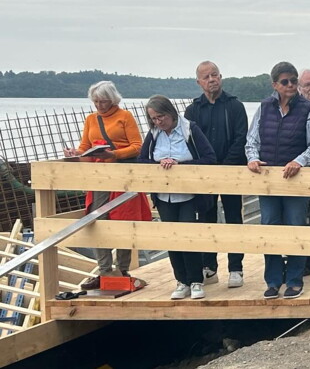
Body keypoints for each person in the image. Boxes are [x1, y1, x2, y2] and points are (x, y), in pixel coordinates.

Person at [245, 62, 310, 300]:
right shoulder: (264, 107)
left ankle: (295, 280)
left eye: (294, 80)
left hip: (296, 181)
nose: (291, 85)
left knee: (296, 227)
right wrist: (253, 158)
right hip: (268, 181)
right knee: (270, 228)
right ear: (275, 85)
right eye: (285, 81)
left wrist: (299, 161)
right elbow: (251, 141)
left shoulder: (309, 109)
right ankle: (273, 280)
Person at [66, 81, 152, 291]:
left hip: (122, 174)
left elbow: (137, 147)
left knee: (124, 218)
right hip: (99, 176)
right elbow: (85, 147)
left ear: (112, 99)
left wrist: (113, 154)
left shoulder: (125, 117)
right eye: (95, 101)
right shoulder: (91, 119)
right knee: (97, 219)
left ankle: (122, 269)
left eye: (103, 101)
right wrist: (76, 154)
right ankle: (104, 270)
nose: (99, 105)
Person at [139, 95, 217, 300]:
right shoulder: (154, 134)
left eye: (161, 117)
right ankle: (181, 281)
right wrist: (158, 164)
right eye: (154, 119)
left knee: (187, 237)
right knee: (171, 239)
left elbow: (210, 158)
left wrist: (179, 165)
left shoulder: (190, 129)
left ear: (170, 113)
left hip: (189, 195)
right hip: (164, 196)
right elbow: (142, 160)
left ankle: (196, 280)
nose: (158, 122)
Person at [184, 60, 249, 289]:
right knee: (206, 219)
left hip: (231, 172)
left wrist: (225, 166)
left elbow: (241, 138)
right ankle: (209, 267)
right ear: (199, 82)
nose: (212, 80)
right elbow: (190, 142)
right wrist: (206, 166)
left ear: (220, 77)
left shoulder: (235, 106)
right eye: (206, 77)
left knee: (234, 219)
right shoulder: (192, 110)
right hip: (204, 174)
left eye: (215, 75)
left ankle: (236, 268)